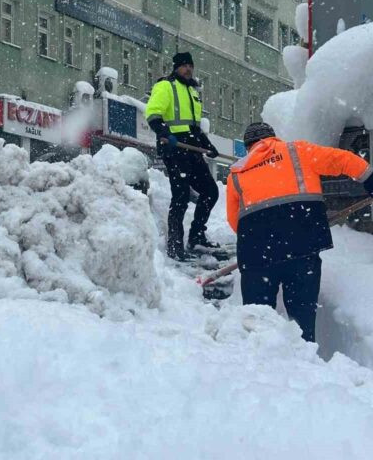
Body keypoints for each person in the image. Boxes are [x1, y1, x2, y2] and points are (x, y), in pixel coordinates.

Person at [226, 122, 373, 342]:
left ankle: (260, 365)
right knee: (302, 318)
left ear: (248, 147)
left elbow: (234, 220)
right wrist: (370, 179)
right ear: (273, 138)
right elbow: (343, 160)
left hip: (257, 254)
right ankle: (305, 358)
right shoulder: (297, 151)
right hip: (302, 246)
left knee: (255, 322)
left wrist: (264, 239)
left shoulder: (236, 173)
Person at [145, 51, 221, 261]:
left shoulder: (192, 92)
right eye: (184, 65)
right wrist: (165, 133)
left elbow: (194, 127)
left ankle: (196, 236)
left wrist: (208, 145)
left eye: (191, 65)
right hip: (175, 149)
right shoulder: (165, 86)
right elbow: (152, 115)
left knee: (211, 192)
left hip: (192, 149)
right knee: (180, 197)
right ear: (176, 67)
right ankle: (175, 246)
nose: (188, 69)